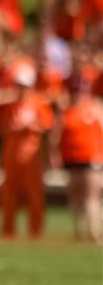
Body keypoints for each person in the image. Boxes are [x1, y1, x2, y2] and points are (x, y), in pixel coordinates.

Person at [0, 63, 54, 238]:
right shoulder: (9, 106)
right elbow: (1, 127)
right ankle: (8, 230)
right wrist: (14, 128)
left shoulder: (39, 104)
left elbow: (46, 127)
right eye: (18, 85)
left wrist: (30, 127)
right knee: (8, 195)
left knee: (34, 195)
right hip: (11, 156)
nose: (21, 89)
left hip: (31, 157)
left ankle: (36, 231)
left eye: (24, 86)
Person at [57, 72, 103, 243]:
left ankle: (94, 232)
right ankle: (79, 232)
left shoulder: (96, 108)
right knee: (75, 195)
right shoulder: (67, 111)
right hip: (72, 159)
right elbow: (58, 136)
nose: (78, 94)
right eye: (75, 90)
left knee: (91, 195)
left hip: (93, 158)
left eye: (82, 90)